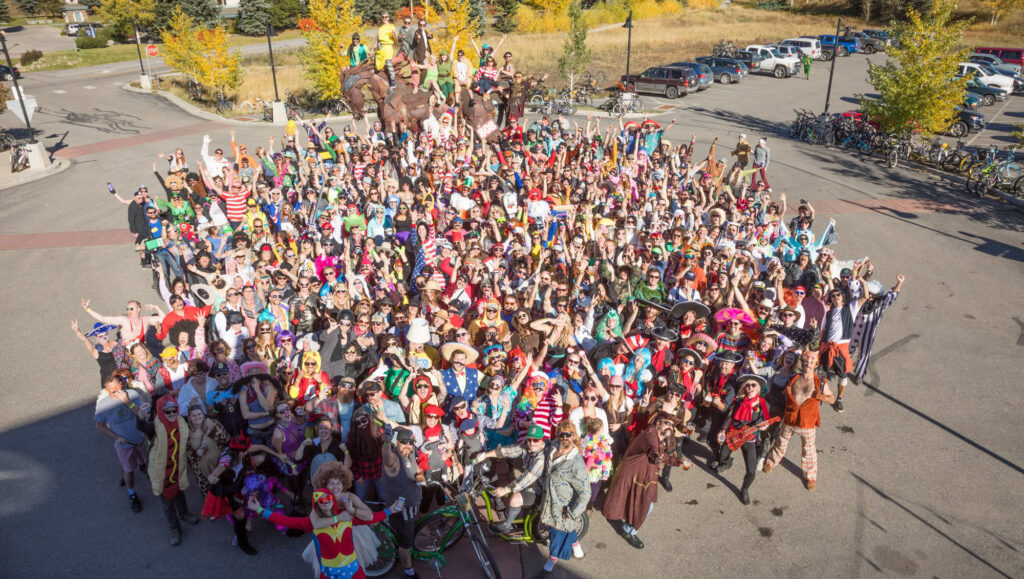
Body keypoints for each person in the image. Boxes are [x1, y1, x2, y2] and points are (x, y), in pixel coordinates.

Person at [602, 411, 680, 549]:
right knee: (645, 505)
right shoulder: (651, 433)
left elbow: (663, 455)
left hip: (641, 476)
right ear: (658, 423)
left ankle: (628, 528)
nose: (670, 427)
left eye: (672, 425)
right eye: (667, 423)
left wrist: (679, 461)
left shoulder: (659, 437)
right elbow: (653, 451)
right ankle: (628, 531)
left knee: (638, 503)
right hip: (632, 475)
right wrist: (656, 459)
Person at [763, 351, 835, 490]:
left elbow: (832, 399)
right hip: (790, 419)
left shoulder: (820, 382)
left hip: (807, 423)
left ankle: (810, 477)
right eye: (806, 362)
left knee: (809, 450)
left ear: (816, 365)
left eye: (811, 363)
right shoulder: (794, 377)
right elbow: (784, 392)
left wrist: (822, 397)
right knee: (780, 442)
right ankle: (771, 462)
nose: (807, 364)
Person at [472, 423, 548, 534]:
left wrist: (506, 489)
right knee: (514, 491)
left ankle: (507, 526)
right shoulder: (527, 446)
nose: (531, 443)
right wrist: (485, 455)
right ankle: (524, 525)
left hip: (541, 491)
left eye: (535, 440)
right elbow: (508, 451)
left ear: (542, 440)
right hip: (531, 485)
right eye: (529, 440)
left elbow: (527, 478)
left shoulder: (541, 458)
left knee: (514, 499)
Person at [710, 375, 771, 505]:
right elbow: (731, 417)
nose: (750, 387)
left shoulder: (763, 404)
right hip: (733, 435)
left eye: (753, 385)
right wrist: (723, 430)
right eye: (748, 385)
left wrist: (765, 426)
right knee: (722, 456)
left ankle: (744, 489)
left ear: (759, 388)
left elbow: (766, 421)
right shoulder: (738, 401)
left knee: (751, 471)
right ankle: (726, 462)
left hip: (749, 439)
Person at [539, 420, 590, 572]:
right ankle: (578, 551)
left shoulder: (576, 464)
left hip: (562, 508)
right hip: (548, 499)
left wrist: (572, 513)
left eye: (569, 434)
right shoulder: (554, 447)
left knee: (556, 536)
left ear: (574, 436)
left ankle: (550, 564)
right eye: (562, 434)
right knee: (564, 531)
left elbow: (585, 493)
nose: (565, 437)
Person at [94, 373, 148, 513]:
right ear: (106, 389)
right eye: (111, 389)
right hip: (124, 444)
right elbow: (100, 425)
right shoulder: (103, 405)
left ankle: (143, 467)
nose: (115, 391)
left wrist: (127, 402)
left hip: (140, 439)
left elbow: (142, 415)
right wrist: (116, 437)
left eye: (117, 387)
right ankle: (132, 495)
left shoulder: (132, 395)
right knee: (129, 470)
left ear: (122, 384)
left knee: (145, 461)